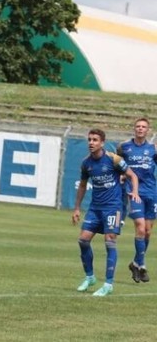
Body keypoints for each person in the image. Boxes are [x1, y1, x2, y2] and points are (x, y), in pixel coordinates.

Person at [72, 128, 140, 297]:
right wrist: (77, 208)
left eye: (95, 140)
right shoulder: (86, 163)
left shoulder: (113, 159)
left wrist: (135, 192)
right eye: (89, 139)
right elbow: (82, 185)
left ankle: (108, 284)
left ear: (102, 142)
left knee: (110, 241)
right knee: (83, 240)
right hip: (95, 208)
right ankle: (90, 277)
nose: (91, 143)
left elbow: (132, 175)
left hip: (112, 207)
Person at [116, 117, 157, 283]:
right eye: (138, 126)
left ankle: (135, 262)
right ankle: (142, 266)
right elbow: (117, 163)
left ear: (148, 130)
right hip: (134, 193)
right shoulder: (124, 146)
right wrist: (120, 176)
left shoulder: (153, 149)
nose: (140, 129)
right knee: (140, 228)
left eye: (143, 127)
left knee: (147, 231)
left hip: (152, 192)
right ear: (134, 129)